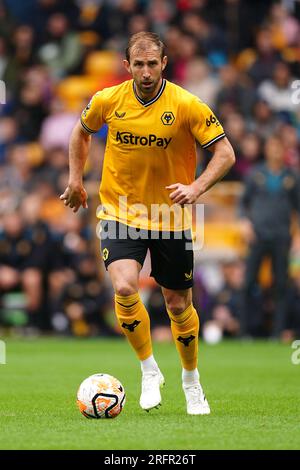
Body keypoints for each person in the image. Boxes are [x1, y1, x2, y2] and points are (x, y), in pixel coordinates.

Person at [60, 32, 235, 415]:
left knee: (177, 306)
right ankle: (148, 370)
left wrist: (197, 186)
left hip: (169, 215)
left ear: (164, 64)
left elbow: (225, 152)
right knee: (124, 286)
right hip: (120, 210)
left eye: (152, 64)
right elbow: (81, 132)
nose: (145, 71)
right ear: (127, 66)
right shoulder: (108, 99)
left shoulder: (186, 104)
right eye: (138, 64)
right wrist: (75, 179)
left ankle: (192, 382)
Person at [239, 135, 300, 338]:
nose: (275, 151)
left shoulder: (292, 177)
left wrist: (297, 235)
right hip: (257, 235)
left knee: (281, 286)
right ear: (266, 150)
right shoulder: (255, 174)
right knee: (248, 284)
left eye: (278, 147)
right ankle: (245, 331)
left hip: (282, 237)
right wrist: (244, 222)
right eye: (272, 147)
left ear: (284, 151)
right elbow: (243, 203)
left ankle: (277, 332)